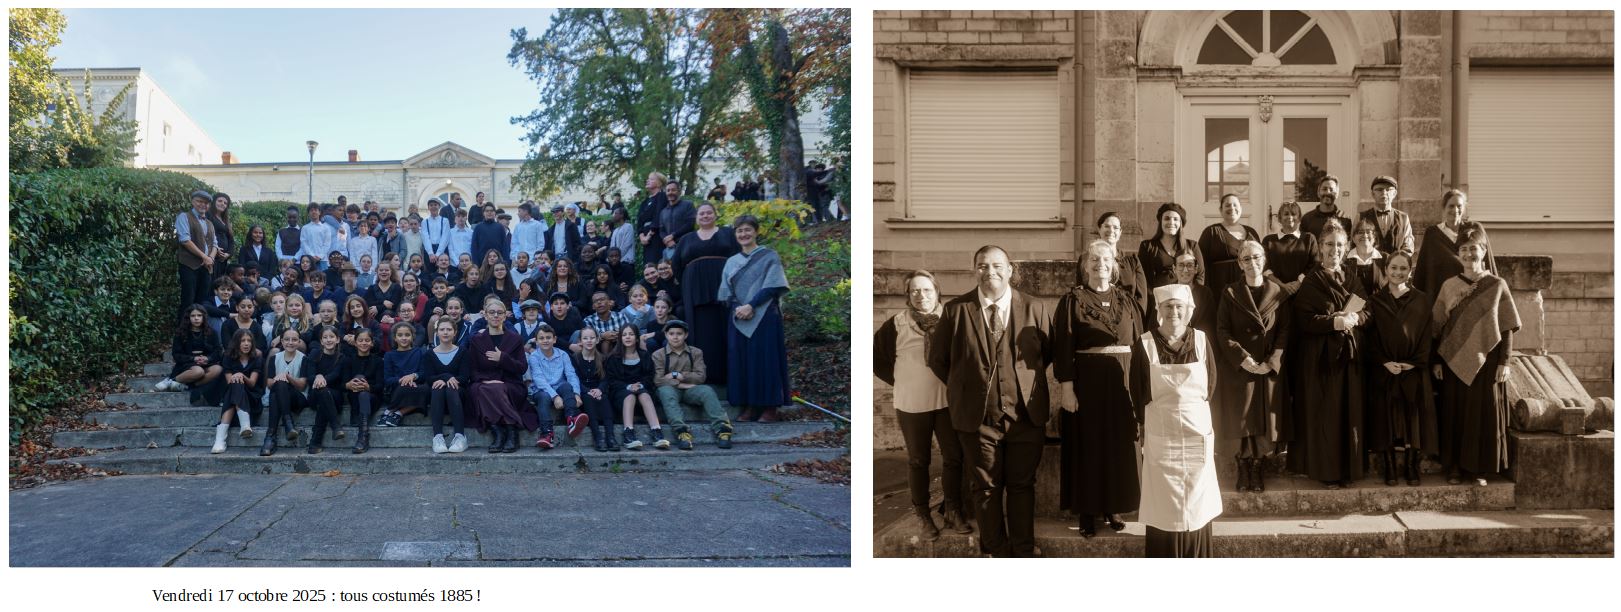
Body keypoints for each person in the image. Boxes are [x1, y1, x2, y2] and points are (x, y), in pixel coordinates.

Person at [926, 245, 1051, 558]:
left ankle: (1022, 552)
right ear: (975, 271)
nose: (990, 271)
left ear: (1010, 270)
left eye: (997, 265)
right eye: (983, 266)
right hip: (977, 420)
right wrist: (968, 389)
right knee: (985, 488)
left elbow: (1046, 354)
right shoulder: (956, 311)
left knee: (1023, 486)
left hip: (1025, 417)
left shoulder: (1034, 307)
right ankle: (996, 551)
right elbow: (939, 361)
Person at [1050, 240, 1143, 537]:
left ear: (1114, 264)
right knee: (1089, 447)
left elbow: (1140, 344)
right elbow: (1063, 346)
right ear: (1085, 265)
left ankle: (1112, 507)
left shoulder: (1127, 300)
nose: (1100, 264)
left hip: (1123, 383)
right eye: (1094, 259)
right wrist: (1067, 388)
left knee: (1118, 446)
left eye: (1105, 259)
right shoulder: (1072, 301)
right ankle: (1088, 511)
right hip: (1086, 385)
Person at [1130, 284, 1223, 558]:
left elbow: (1212, 384)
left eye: (1179, 306)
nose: (1174, 312)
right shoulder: (1145, 344)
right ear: (1159, 311)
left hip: (1197, 434)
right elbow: (1137, 390)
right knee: (1165, 504)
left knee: (1196, 501)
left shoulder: (1202, 341)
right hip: (1162, 435)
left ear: (1188, 310)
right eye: (1168, 306)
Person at [874, 269, 968, 540]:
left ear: (937, 292)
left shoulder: (951, 320)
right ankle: (923, 514)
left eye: (926, 290)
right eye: (914, 290)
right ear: (908, 295)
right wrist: (900, 380)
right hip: (912, 403)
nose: (921, 295)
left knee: (953, 458)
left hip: (947, 402)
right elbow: (875, 357)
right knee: (918, 461)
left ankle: (952, 509)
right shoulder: (897, 324)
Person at [1432, 228, 1520, 487]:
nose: (1469, 253)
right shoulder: (1449, 286)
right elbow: (1437, 327)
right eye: (1464, 249)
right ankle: (1455, 468)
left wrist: (1505, 361)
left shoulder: (1496, 285)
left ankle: (1479, 468)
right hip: (1452, 360)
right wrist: (1435, 361)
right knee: (1455, 414)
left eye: (1474, 248)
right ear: (1457, 254)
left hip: (1489, 361)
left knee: (1482, 415)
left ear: (1483, 251)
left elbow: (1506, 326)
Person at [1290, 226, 1368, 488]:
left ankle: (1348, 469)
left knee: (1349, 412)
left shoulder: (1352, 277)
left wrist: (1356, 318)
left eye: (1339, 245)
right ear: (1320, 247)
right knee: (1327, 415)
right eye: (1329, 245)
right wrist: (1333, 323)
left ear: (1346, 248)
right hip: (1321, 360)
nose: (1334, 250)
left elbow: (1368, 310)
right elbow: (1303, 320)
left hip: (1349, 357)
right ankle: (1327, 471)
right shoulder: (1312, 280)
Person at [1213, 241, 1291, 493]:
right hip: (1240, 368)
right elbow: (1222, 330)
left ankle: (1257, 468)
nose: (1252, 263)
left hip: (1266, 368)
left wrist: (1271, 362)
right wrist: (1243, 358)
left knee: (1262, 420)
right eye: (1246, 259)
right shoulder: (1230, 292)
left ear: (1264, 260)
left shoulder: (1278, 293)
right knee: (1241, 418)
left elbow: (1284, 331)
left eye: (1256, 257)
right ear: (1239, 264)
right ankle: (1242, 467)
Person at [1365, 251, 1436, 487]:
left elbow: (1427, 335)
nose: (1398, 273)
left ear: (1410, 271)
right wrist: (1383, 361)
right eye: (1393, 268)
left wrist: (1415, 362)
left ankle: (1411, 465)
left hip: (1412, 368)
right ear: (1386, 269)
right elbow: (1370, 338)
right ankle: (1390, 467)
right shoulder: (1375, 301)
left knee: (1412, 419)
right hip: (1385, 368)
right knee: (1385, 418)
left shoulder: (1422, 300)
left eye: (1403, 268)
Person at [718, 214, 790, 422]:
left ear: (756, 231)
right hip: (738, 316)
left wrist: (752, 305)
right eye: (739, 231)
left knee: (766, 361)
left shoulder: (769, 256)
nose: (743, 234)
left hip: (765, 315)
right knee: (744, 362)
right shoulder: (732, 262)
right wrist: (739, 307)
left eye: (747, 229)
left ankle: (769, 407)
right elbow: (726, 292)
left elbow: (773, 285)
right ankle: (749, 405)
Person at [672, 202, 740, 385]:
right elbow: (676, 265)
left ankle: (727, 375)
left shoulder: (728, 233)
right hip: (694, 291)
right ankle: (701, 374)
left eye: (709, 212)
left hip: (724, 288)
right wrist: (690, 281)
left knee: (724, 328)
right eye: (701, 213)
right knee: (699, 331)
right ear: (696, 217)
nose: (705, 216)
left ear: (715, 215)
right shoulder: (686, 239)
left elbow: (740, 258)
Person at [653, 320, 733, 450]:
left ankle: (723, 429)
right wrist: (679, 381)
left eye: (679, 333)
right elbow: (658, 380)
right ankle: (682, 431)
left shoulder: (696, 352)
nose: (675, 337)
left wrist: (681, 376)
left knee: (707, 390)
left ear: (686, 335)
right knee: (665, 392)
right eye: (671, 333)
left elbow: (701, 377)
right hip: (672, 389)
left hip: (691, 390)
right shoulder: (658, 355)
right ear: (666, 335)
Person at [467, 298, 533, 454]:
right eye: (492, 312)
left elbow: (522, 368)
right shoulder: (477, 340)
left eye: (499, 313)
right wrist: (487, 380)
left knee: (494, 389)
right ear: (485, 316)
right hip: (483, 383)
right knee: (482, 389)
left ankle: (502, 431)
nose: (495, 315)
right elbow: (472, 370)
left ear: (505, 316)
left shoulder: (515, 338)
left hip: (510, 384)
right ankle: (506, 430)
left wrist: (503, 358)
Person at [1413, 189, 1498, 297]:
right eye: (1451, 206)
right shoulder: (1432, 234)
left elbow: (1487, 261)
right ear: (1444, 208)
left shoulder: (1475, 229)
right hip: (1443, 295)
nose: (1455, 210)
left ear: (1464, 208)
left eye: (1459, 206)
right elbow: (1423, 269)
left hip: (1473, 292)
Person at [604, 322, 669, 450]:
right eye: (624, 335)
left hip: (642, 389)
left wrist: (640, 385)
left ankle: (657, 431)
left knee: (645, 395)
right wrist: (629, 387)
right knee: (630, 396)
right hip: (621, 392)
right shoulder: (614, 358)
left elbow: (649, 376)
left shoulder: (644, 355)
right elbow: (612, 380)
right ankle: (628, 432)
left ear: (637, 338)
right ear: (620, 338)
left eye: (631, 334)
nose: (628, 337)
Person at [527, 324, 587, 451]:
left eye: (548, 337)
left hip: (560, 387)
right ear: (536, 341)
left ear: (554, 339)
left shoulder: (562, 354)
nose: (545, 341)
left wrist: (576, 394)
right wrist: (555, 397)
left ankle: (571, 419)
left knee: (566, 386)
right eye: (541, 338)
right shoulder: (534, 357)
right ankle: (547, 433)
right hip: (541, 390)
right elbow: (539, 380)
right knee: (543, 397)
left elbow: (571, 375)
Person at [157, 305, 224, 408]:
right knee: (198, 371)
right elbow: (176, 354)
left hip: (206, 363)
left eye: (199, 315)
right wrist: (193, 359)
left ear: (203, 317)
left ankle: (188, 385)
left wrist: (208, 358)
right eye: (193, 316)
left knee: (218, 369)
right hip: (187, 364)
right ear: (188, 318)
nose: (196, 318)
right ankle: (172, 380)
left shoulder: (212, 332)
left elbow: (218, 351)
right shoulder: (181, 333)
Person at [421, 318, 471, 454]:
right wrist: (446, 378)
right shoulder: (429, 354)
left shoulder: (463, 352)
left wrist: (446, 379)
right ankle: (437, 437)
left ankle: (460, 436)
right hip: (438, 397)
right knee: (437, 388)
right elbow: (429, 378)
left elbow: (464, 378)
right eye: (442, 329)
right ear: (436, 333)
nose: (445, 332)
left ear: (455, 332)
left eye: (449, 329)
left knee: (450, 387)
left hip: (458, 394)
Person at [1199, 193, 1262, 297]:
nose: (1232, 208)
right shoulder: (1211, 232)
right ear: (1220, 210)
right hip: (1220, 288)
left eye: (1235, 205)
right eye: (1227, 205)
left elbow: (1261, 260)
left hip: (1250, 287)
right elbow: (1201, 264)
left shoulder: (1252, 232)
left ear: (1240, 208)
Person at [260, 328, 308, 456]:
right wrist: (279, 378)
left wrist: (287, 377)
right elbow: (269, 384)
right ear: (281, 341)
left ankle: (270, 437)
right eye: (287, 339)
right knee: (277, 391)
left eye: (294, 340)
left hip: (298, 398)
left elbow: (302, 386)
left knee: (281, 384)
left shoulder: (304, 359)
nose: (290, 342)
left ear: (299, 342)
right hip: (279, 395)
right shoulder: (274, 358)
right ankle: (287, 425)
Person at [214, 329, 263, 453]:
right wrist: (238, 376)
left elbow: (252, 383)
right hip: (235, 394)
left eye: (249, 341)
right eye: (243, 341)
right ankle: (244, 425)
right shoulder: (228, 357)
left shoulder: (256, 356)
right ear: (236, 343)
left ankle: (220, 439)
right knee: (235, 384)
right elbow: (230, 381)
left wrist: (241, 375)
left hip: (251, 397)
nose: (246, 344)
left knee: (237, 383)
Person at [175, 190, 221, 319]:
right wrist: (204, 257)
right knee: (188, 301)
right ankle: (182, 333)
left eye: (206, 203)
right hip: (189, 265)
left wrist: (211, 258)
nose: (203, 205)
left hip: (206, 267)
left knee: (202, 302)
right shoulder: (184, 216)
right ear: (192, 202)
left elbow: (215, 244)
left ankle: (199, 332)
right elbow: (185, 240)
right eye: (199, 201)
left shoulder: (209, 223)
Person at [1138, 202, 1205, 290]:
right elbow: (1142, 277)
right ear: (1160, 221)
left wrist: (1191, 296)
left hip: (1185, 299)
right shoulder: (1147, 246)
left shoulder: (1192, 246)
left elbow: (1200, 275)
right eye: (1167, 218)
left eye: (1175, 219)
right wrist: (1153, 298)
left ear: (1181, 223)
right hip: (1157, 299)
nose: (1171, 222)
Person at [300, 326, 345, 454]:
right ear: (321, 341)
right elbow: (309, 376)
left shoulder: (341, 357)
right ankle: (335, 425)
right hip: (315, 394)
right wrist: (318, 377)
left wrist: (322, 378)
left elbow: (336, 375)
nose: (328, 340)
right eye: (325, 337)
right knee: (322, 392)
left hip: (335, 396)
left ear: (337, 340)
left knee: (324, 396)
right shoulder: (315, 354)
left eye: (331, 337)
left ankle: (315, 441)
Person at [572, 326, 618, 452]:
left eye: (592, 338)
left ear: (597, 340)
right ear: (580, 341)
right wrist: (587, 391)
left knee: (604, 399)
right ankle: (598, 436)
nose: (589, 341)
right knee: (588, 399)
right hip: (583, 392)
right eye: (585, 338)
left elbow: (605, 379)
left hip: (599, 390)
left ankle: (610, 436)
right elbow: (574, 379)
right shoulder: (575, 358)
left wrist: (599, 390)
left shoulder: (602, 358)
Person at [1093, 212, 1148, 313]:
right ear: (1099, 229)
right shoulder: (1086, 260)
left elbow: (1142, 297)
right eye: (1107, 226)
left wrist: (1136, 320)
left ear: (1120, 232)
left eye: (1115, 227)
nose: (1111, 230)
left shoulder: (1133, 261)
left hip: (1127, 316)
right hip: (1097, 315)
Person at [338, 328, 382, 454]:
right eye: (360, 340)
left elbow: (380, 386)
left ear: (372, 343)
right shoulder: (348, 360)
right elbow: (341, 384)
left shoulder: (378, 361)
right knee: (358, 379)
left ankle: (363, 436)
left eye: (367, 340)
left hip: (373, 397)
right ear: (355, 343)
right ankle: (358, 419)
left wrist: (368, 387)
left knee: (363, 392)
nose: (364, 343)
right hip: (354, 397)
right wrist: (349, 385)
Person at [1263, 201, 1316, 295]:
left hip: (1303, 291)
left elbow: (1314, 265)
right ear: (1279, 218)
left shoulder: (1309, 239)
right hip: (1276, 292)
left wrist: (1298, 283)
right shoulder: (1268, 241)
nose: (1290, 217)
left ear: (1299, 218)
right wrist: (1282, 285)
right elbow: (1265, 268)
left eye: (1294, 214)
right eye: (1286, 214)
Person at [1356, 175, 1415, 256]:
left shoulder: (1403, 218)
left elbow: (1408, 247)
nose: (1384, 193)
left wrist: (1396, 262)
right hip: (1368, 267)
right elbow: (1355, 246)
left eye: (1388, 190)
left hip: (1395, 267)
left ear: (1394, 193)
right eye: (1379, 189)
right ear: (1373, 194)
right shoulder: (1361, 217)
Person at [1300, 175, 1354, 239]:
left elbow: (1347, 245)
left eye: (1331, 189)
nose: (1328, 192)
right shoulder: (1307, 219)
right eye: (1324, 189)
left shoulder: (1345, 219)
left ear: (1337, 194)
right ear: (1318, 192)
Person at [659, 180, 697, 262]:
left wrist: (673, 235)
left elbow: (690, 224)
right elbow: (661, 230)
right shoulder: (663, 211)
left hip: (687, 245)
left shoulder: (688, 205)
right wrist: (667, 240)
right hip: (670, 247)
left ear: (679, 192)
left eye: (673, 190)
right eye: (668, 190)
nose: (670, 192)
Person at [1345, 220, 1387, 295]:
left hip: (1379, 305)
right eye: (1360, 232)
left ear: (1374, 237)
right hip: (1353, 306)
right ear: (1353, 238)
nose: (1364, 235)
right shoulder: (1344, 260)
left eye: (1368, 232)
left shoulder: (1386, 259)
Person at [636, 172, 669, 264]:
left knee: (656, 263)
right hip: (645, 239)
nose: (647, 180)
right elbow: (640, 220)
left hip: (656, 237)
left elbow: (658, 217)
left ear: (659, 183)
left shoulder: (662, 197)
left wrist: (649, 236)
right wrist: (642, 236)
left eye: (651, 179)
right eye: (648, 178)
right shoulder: (645, 202)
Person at [298, 203, 335, 270]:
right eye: (311, 210)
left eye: (315, 210)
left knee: (322, 279)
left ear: (319, 212)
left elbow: (327, 244)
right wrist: (311, 256)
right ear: (308, 213)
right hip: (309, 260)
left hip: (322, 260)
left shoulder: (325, 228)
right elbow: (304, 243)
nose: (313, 212)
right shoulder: (305, 228)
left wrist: (319, 256)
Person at [208, 193, 236, 279]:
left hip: (223, 260)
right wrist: (215, 249)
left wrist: (228, 254)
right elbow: (206, 234)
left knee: (219, 286)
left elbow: (231, 240)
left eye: (225, 203)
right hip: (212, 257)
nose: (222, 204)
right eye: (220, 201)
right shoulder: (208, 216)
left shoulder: (226, 220)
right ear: (214, 202)